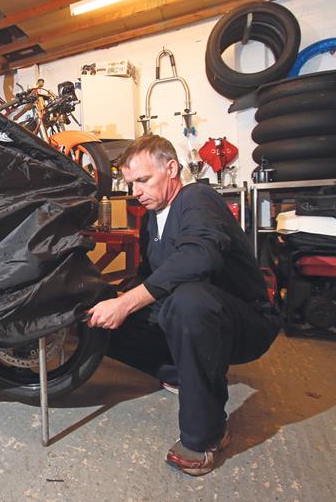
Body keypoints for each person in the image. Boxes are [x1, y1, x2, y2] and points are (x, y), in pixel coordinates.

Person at [87, 134, 281, 476]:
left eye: (143, 180)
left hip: (242, 321)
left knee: (188, 300)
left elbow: (199, 257)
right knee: (101, 322)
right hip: (189, 315)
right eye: (131, 183)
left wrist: (129, 301)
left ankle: (205, 436)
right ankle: (181, 373)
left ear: (172, 168)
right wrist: (116, 300)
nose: (136, 192)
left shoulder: (198, 198)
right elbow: (150, 275)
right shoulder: (151, 218)